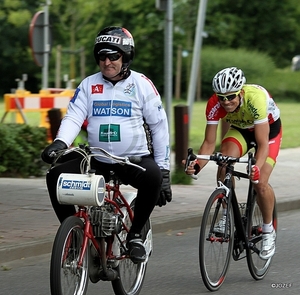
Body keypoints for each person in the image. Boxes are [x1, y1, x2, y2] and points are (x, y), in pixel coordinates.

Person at [41, 26, 172, 263]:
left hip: (133, 159)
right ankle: (73, 235)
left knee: (152, 178)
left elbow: (159, 126)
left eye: (114, 56)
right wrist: (60, 142)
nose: (107, 61)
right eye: (102, 56)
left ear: (126, 57)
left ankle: (135, 237)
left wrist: (163, 169)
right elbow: (73, 116)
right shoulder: (89, 84)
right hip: (97, 159)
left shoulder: (142, 84)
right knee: (55, 176)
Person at [184, 67, 282, 260]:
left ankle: (268, 230)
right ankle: (227, 215)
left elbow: (262, 145)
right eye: (222, 97)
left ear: (240, 92)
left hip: (268, 132)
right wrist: (196, 165)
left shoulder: (255, 99)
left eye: (231, 97)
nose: (226, 102)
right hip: (241, 130)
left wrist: (256, 167)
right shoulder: (214, 104)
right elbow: (209, 143)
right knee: (223, 162)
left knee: (260, 182)